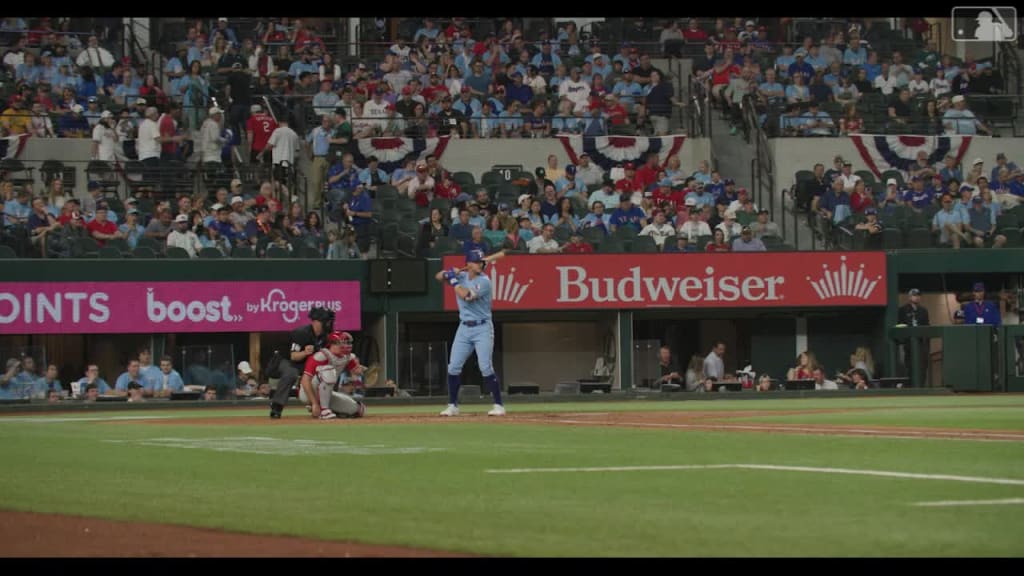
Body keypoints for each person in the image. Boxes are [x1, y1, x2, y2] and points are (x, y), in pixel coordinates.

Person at [435, 249, 505, 417]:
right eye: (477, 262)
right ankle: (453, 405)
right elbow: (438, 277)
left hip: (482, 328)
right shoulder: (462, 276)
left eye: (481, 262)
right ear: (469, 264)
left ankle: (499, 405)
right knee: (453, 367)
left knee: (485, 367)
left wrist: (452, 279)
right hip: (464, 328)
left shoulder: (484, 281)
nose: (480, 264)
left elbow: (466, 295)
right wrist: (449, 272)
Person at [269, 306, 336, 419]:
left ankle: (321, 404)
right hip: (287, 359)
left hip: (307, 362)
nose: (328, 324)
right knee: (291, 373)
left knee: (327, 371)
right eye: (325, 321)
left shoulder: (326, 335)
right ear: (315, 322)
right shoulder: (302, 333)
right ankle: (277, 406)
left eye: (329, 321)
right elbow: (293, 356)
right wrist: (305, 353)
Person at [297, 330, 366, 420]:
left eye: (347, 343)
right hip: (307, 392)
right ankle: (324, 410)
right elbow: (305, 381)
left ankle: (327, 408)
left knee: (357, 410)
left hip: (326, 393)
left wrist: (362, 370)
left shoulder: (348, 357)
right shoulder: (321, 356)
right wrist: (314, 403)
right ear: (332, 344)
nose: (346, 345)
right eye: (342, 343)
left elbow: (356, 373)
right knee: (328, 370)